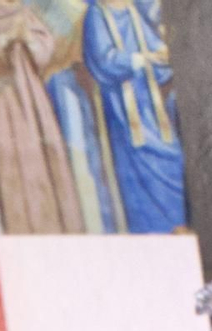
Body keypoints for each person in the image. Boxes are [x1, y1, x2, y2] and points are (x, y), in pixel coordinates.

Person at [0, 0, 82, 232]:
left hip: (35, 96)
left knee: (47, 152)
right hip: (7, 97)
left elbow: (44, 51)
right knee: (17, 158)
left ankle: (59, 225)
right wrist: (8, 36)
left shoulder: (23, 12)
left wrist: (27, 36)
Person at [82, 0, 186, 233]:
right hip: (123, 110)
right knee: (139, 165)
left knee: (172, 156)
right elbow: (103, 61)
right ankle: (154, 232)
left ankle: (178, 225)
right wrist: (139, 59)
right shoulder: (96, 15)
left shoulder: (132, 11)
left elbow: (156, 54)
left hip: (152, 107)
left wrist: (162, 56)